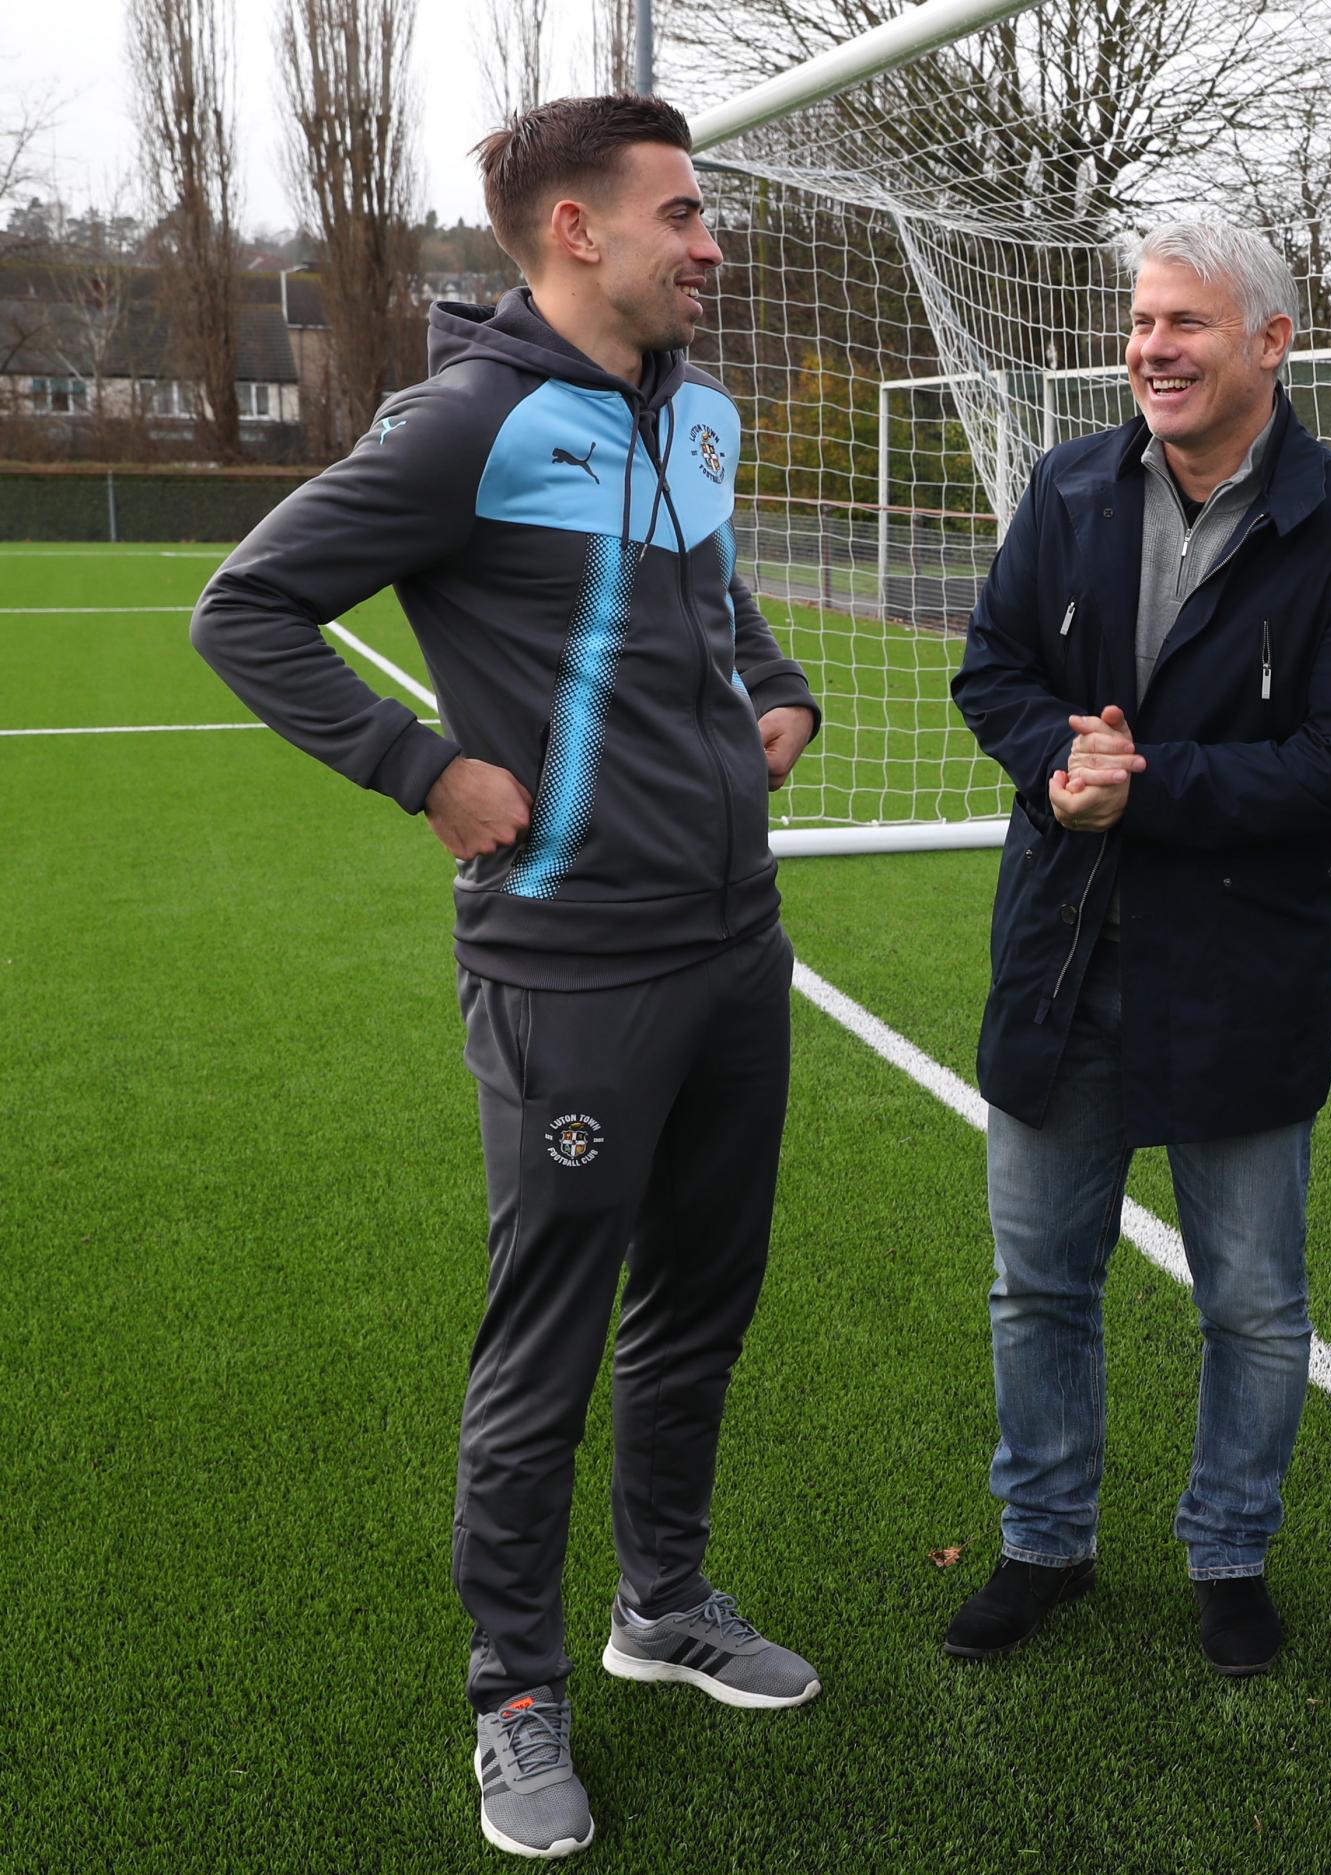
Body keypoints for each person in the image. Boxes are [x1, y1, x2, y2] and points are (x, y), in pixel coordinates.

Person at [191, 93, 822, 1861]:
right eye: (682, 214)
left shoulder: (692, 411)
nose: (710, 244)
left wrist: (778, 691)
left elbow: (707, 598)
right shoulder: (464, 424)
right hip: (570, 964)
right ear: (575, 231)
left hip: (730, 943)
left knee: (704, 1298)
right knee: (545, 1342)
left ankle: (664, 1605)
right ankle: (514, 1691)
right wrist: (427, 772)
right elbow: (246, 610)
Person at [945, 218, 1331, 1677]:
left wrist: (1145, 783)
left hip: (1239, 978)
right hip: (1063, 958)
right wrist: (1052, 768)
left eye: (1187, 325)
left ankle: (1230, 1552)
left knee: (1256, 1305)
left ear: (1270, 342)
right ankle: (1045, 1539)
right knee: (1039, 1284)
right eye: (1144, 322)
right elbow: (996, 671)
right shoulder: (1069, 485)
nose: (1152, 347)